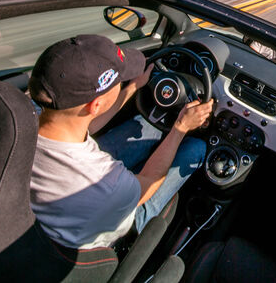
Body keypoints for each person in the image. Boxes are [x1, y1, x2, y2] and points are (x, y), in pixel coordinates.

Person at [27, 34, 213, 249]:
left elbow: (90, 124)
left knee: (148, 126)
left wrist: (132, 88)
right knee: (196, 148)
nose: (121, 82)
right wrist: (180, 128)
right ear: (95, 105)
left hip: (53, 218)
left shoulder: (24, 114)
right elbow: (148, 182)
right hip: (115, 229)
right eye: (118, 81)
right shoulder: (103, 182)